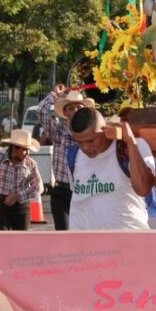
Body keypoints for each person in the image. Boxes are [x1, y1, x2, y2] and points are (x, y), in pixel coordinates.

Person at [68, 108, 155, 230]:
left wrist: (130, 141)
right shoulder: (73, 154)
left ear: (105, 130)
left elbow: (143, 189)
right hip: (84, 244)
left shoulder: (132, 146)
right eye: (79, 142)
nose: (85, 147)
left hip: (128, 240)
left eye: (91, 141)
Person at [37, 86, 95, 230]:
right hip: (62, 191)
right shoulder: (58, 132)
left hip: (85, 190)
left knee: (85, 234)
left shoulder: (92, 133)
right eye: (71, 108)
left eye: (78, 107)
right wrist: (55, 93)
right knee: (64, 234)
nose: (75, 111)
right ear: (65, 113)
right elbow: (41, 111)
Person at [0, 127, 43, 230]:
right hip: (2, 205)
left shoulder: (31, 164)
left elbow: (38, 187)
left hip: (21, 207)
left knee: (21, 242)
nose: (27, 153)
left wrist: (18, 195)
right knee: (1, 241)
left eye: (27, 149)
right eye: (24, 149)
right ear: (14, 149)